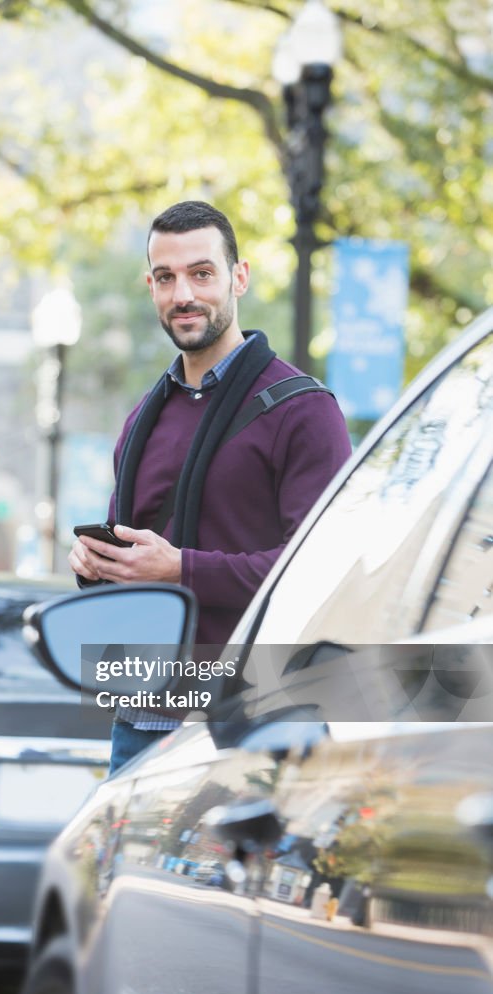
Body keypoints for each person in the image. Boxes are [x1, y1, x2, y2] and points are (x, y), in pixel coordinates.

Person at [69, 200, 351, 772]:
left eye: (202, 273)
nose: (184, 295)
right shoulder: (143, 417)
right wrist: (94, 562)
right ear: (150, 285)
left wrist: (180, 569)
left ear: (238, 277)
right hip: (143, 721)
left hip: (260, 719)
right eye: (166, 278)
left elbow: (324, 576)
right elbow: (135, 558)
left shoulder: (303, 411)